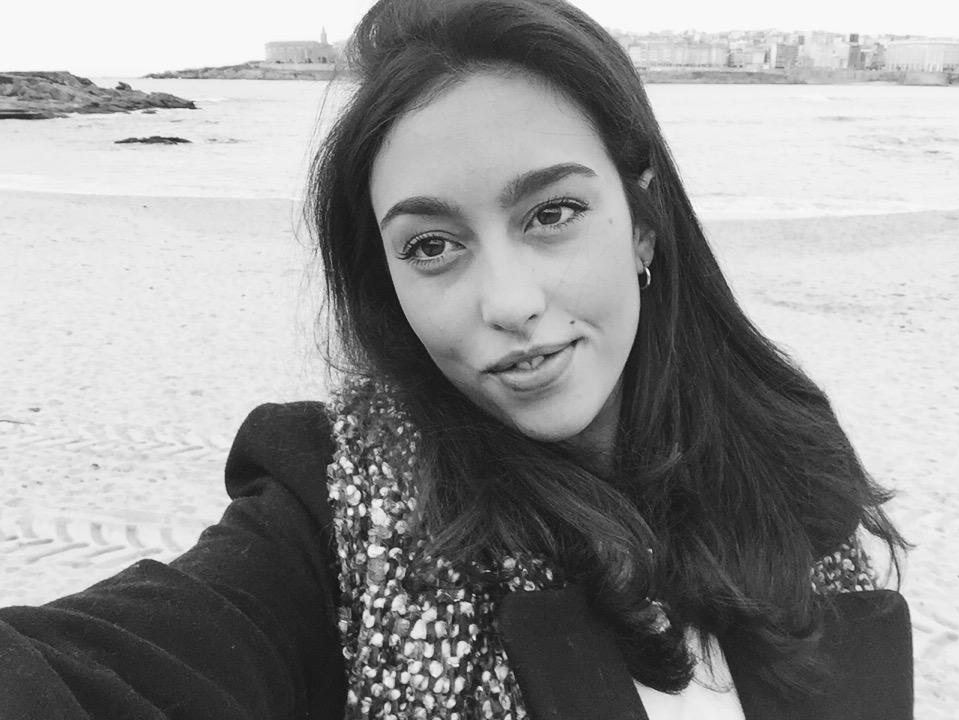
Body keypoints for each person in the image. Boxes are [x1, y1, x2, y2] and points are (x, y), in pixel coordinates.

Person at [0, 0, 912, 718]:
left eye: (551, 213)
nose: (507, 303)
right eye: (432, 246)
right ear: (388, 280)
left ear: (642, 221)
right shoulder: (340, 525)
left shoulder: (794, 478)